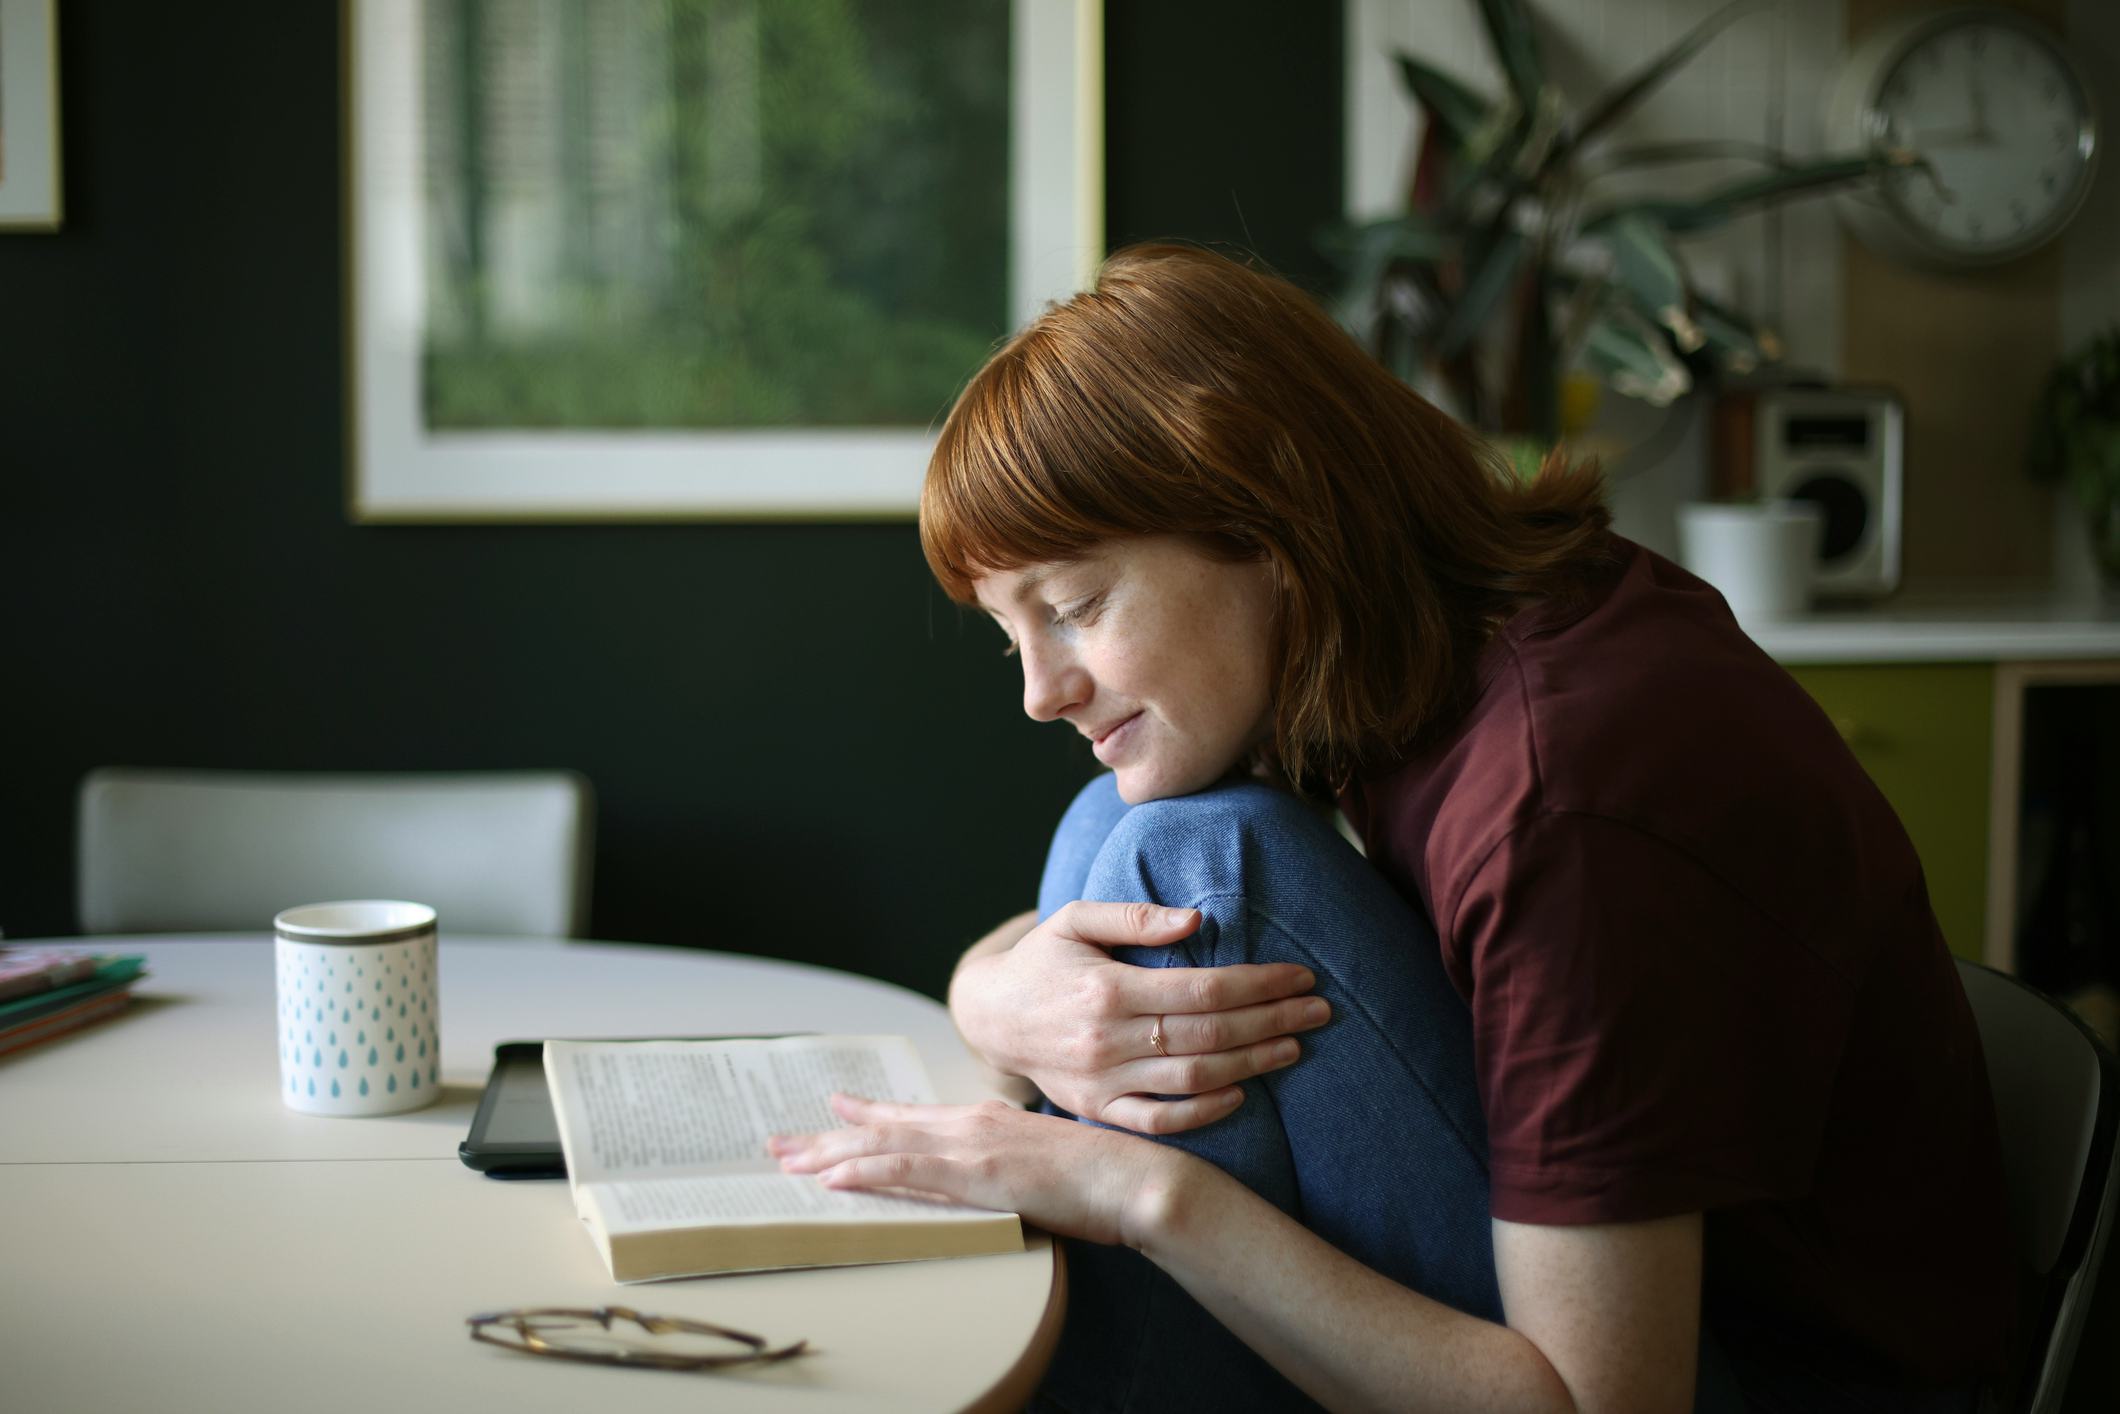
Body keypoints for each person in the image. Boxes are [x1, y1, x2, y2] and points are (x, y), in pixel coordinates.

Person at [766, 243, 2017, 1413]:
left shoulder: (1560, 801)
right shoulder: (1418, 645)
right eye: (1012, 638)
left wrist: (1130, 1191)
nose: (1040, 691)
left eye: (1077, 606)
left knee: (1193, 856)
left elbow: (1596, 1403)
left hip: (1751, 1378)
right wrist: (991, 1000)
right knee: (1124, 802)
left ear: (1259, 511)